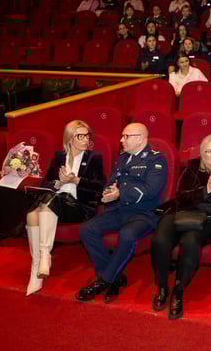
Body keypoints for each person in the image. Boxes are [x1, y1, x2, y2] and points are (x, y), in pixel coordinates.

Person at [151, 135, 211, 319]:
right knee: (160, 239)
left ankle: (178, 291)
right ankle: (162, 287)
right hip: (184, 214)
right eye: (209, 152)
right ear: (203, 153)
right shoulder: (193, 168)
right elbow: (181, 197)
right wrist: (206, 190)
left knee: (190, 240)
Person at [76, 123, 167, 302]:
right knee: (87, 229)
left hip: (144, 213)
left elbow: (150, 190)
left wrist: (120, 193)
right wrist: (108, 193)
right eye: (122, 136)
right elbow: (112, 182)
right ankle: (114, 277)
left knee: (127, 235)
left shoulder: (156, 159)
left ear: (140, 138)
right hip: (120, 209)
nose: (121, 140)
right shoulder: (123, 158)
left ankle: (103, 281)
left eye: (126, 136)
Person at [24, 120, 105, 295]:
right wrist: (59, 183)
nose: (86, 139)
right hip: (55, 202)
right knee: (32, 214)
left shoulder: (94, 158)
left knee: (46, 205)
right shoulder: (59, 157)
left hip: (79, 206)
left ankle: (43, 257)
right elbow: (45, 183)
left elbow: (100, 187)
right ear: (70, 138)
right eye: (80, 136)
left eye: (87, 135)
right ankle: (38, 265)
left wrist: (76, 180)